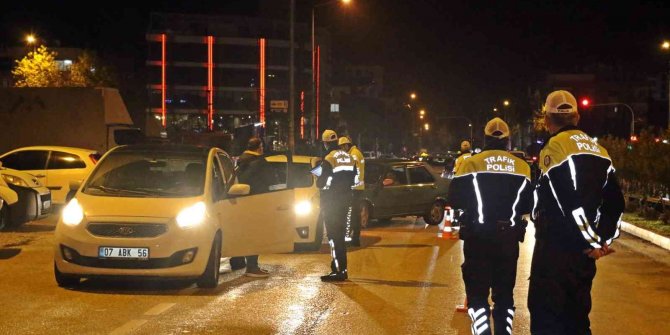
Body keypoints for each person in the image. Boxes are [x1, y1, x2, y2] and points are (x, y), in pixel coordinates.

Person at [528, 90, 624, 334]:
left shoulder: (554, 148)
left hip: (555, 251)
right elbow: (615, 204)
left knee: (545, 318)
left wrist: (591, 240)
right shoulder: (600, 151)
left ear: (547, 120)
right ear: (577, 117)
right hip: (584, 257)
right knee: (578, 319)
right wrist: (600, 241)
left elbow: (567, 203)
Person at [447, 117, 532, 335]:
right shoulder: (522, 167)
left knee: (477, 295)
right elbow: (529, 205)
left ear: (484, 139)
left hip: (477, 237)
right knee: (504, 296)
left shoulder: (470, 163)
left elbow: (454, 199)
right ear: (507, 140)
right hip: (508, 240)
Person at [233, 137, 275, 278]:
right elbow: (272, 180)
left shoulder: (240, 161)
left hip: (240, 201)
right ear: (260, 147)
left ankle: (237, 261)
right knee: (255, 234)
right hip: (257, 201)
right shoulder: (260, 163)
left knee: (243, 232)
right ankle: (252, 266)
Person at [317, 129, 356, 281]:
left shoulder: (328, 158)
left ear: (326, 143)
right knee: (340, 236)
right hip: (346, 200)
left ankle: (338, 271)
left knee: (334, 237)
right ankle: (340, 269)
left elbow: (321, 183)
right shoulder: (348, 157)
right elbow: (353, 179)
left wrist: (318, 173)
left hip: (332, 202)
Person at [338, 136, 365, 247]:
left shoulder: (353, 155)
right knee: (355, 215)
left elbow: (351, 172)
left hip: (354, 189)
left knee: (351, 215)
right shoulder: (357, 152)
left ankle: (352, 239)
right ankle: (355, 239)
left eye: (342, 147)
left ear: (346, 145)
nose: (341, 150)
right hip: (358, 188)